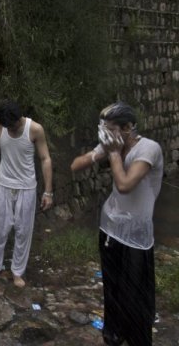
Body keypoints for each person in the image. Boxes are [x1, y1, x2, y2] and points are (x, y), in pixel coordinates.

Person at [71, 102, 162, 346]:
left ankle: (138, 339)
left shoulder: (148, 149)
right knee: (112, 289)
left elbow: (124, 185)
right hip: (109, 229)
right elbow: (75, 166)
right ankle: (113, 334)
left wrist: (112, 154)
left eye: (110, 129)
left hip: (136, 238)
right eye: (103, 129)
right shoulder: (113, 145)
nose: (106, 134)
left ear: (128, 128)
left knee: (136, 297)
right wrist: (97, 152)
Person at [0, 100, 53, 287]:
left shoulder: (35, 129)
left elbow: (45, 159)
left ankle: (17, 272)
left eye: (11, 126)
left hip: (27, 187)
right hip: (4, 185)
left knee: (23, 231)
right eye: (5, 127)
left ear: (19, 119)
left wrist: (48, 192)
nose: (9, 130)